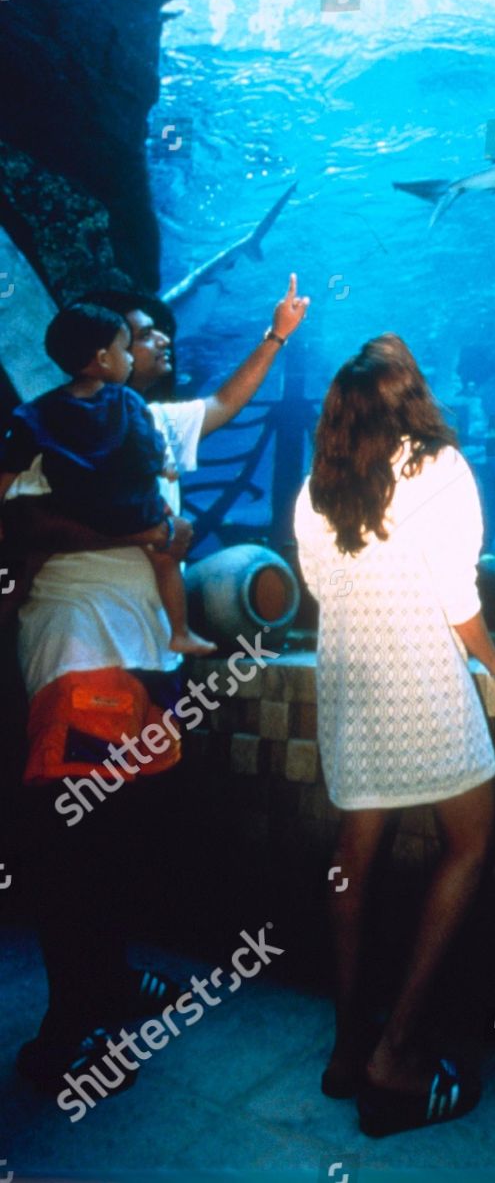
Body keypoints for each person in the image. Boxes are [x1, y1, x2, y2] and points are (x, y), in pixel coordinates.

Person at [3, 274, 309, 1093]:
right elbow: (21, 523)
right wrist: (136, 528)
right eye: (141, 334)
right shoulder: (57, 426)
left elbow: (227, 404)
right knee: (75, 849)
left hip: (146, 657)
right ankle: (65, 1031)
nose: (157, 342)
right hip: (79, 647)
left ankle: (103, 980)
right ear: (105, 353)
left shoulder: (149, 423)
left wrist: (276, 336)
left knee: (117, 837)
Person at [294, 333, 495, 1138]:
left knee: (352, 859)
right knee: (471, 843)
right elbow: (455, 594)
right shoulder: (437, 467)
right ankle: (397, 1054)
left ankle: (345, 1049)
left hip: (346, 686)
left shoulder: (317, 489)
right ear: (408, 400)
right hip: (419, 685)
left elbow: (318, 588)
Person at [0, 303, 214, 655]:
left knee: (28, 562)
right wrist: (165, 465)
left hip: (76, 511)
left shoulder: (36, 412)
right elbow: (148, 448)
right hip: (133, 512)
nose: (130, 358)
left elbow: (10, 466)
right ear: (103, 358)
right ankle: (180, 632)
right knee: (165, 554)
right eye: (124, 349)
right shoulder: (128, 401)